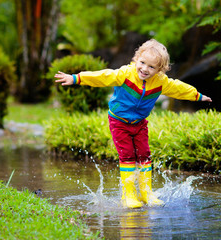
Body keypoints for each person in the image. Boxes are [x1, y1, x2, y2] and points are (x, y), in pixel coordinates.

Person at [54, 39, 212, 208]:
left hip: (139, 123)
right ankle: (129, 195)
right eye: (142, 63)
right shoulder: (125, 74)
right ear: (136, 59)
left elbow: (179, 88)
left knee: (144, 155)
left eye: (151, 67)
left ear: (160, 70)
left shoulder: (160, 82)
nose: (144, 69)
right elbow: (102, 77)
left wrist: (198, 96)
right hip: (118, 121)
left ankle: (146, 193)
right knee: (128, 155)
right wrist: (76, 78)